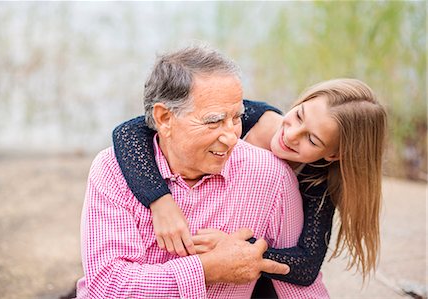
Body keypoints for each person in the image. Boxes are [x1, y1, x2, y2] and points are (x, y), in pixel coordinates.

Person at [76, 45, 329, 298]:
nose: (231, 137)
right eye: (214, 121)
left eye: (237, 117)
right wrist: (207, 269)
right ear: (164, 119)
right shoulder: (112, 169)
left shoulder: (273, 176)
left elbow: (301, 285)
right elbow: (107, 286)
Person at [112, 77, 387, 294]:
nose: (291, 135)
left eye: (312, 140)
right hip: (177, 250)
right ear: (302, 100)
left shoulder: (317, 182)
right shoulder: (250, 118)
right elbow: (129, 131)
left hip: (251, 282)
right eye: (299, 116)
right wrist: (160, 201)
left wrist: (243, 252)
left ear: (334, 154)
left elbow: (306, 265)